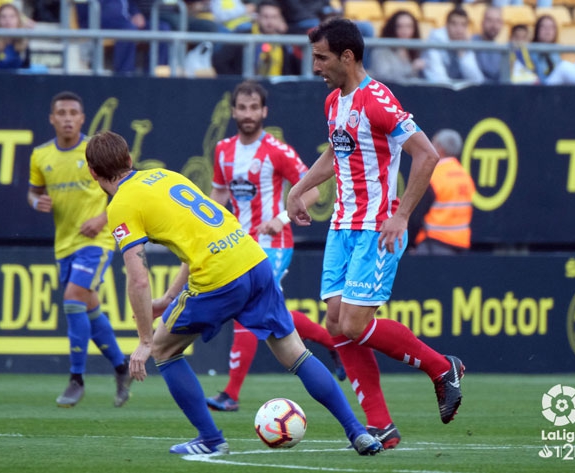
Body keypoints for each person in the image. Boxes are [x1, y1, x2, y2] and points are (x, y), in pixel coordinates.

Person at [84, 130, 383, 456]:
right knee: (296, 354)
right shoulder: (163, 175)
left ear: (93, 173)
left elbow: (138, 278)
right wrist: (170, 298)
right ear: (129, 160)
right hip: (254, 259)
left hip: (219, 275)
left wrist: (143, 341)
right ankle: (357, 432)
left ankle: (211, 439)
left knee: (163, 350)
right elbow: (195, 238)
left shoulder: (121, 205)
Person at [286, 18, 465, 435]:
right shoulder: (334, 102)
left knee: (353, 325)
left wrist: (401, 216)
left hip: (375, 228)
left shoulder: (378, 100)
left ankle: (443, 369)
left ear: (348, 57)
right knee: (334, 322)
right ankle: (381, 426)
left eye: (322, 57)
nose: (315, 66)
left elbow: (426, 156)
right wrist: (299, 188)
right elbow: (337, 151)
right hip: (342, 226)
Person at [205, 80, 345, 413]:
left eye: (255, 107)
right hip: (239, 244)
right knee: (272, 315)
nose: (248, 113)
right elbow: (218, 198)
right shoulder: (223, 150)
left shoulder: (276, 150)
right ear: (234, 111)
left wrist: (282, 218)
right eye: (243, 107)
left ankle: (231, 394)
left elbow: (312, 191)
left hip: (274, 243)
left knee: (246, 307)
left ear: (264, 111)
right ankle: (332, 342)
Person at [27, 91, 131, 408]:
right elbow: (32, 193)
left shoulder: (94, 152)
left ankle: (76, 379)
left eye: (74, 112)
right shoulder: (40, 156)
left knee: (73, 299)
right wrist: (36, 201)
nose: (68, 117)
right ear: (52, 118)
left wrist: (103, 218)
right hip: (65, 245)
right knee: (89, 308)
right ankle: (121, 367)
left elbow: (128, 188)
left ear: (83, 118)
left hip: (96, 243)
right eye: (62, 112)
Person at [408, 129, 476, 255]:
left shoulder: (434, 176)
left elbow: (416, 215)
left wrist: (409, 244)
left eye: (432, 143)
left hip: (433, 245)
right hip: (460, 246)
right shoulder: (465, 176)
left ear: (440, 149)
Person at [212, 0, 300, 76]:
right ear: (257, 17)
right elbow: (219, 61)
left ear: (280, 19)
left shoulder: (285, 42)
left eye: (274, 17)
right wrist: (235, 83)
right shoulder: (242, 37)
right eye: (265, 17)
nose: (270, 22)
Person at [422, 6, 484, 84]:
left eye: (463, 25)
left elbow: (477, 80)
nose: (459, 29)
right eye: (454, 24)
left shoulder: (465, 42)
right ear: (446, 25)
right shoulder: (435, 40)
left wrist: (463, 55)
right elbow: (437, 77)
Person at [368, 10, 426, 83]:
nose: (405, 31)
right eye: (400, 26)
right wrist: (411, 69)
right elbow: (383, 78)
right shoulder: (381, 50)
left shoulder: (416, 49)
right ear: (392, 28)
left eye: (409, 26)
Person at [472, 5, 504, 83]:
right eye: (489, 20)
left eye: (497, 21)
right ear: (482, 23)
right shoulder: (471, 43)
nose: (494, 25)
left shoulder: (502, 49)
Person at [529, 14, 561, 83]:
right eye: (543, 27)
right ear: (537, 30)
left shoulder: (557, 51)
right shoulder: (530, 52)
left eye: (551, 27)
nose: (548, 30)